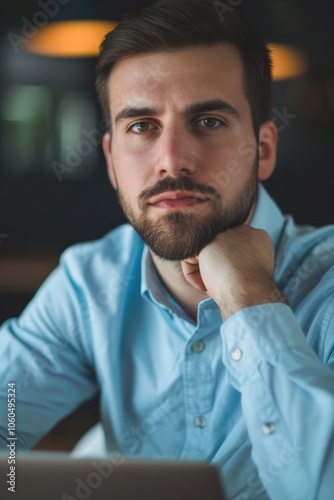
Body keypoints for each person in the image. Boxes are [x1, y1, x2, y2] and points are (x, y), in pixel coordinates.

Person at [1, 0, 333, 498]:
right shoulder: (90, 281)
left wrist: (248, 297)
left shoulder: (326, 286)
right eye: (141, 126)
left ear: (263, 149)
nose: (172, 160)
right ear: (112, 161)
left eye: (209, 122)